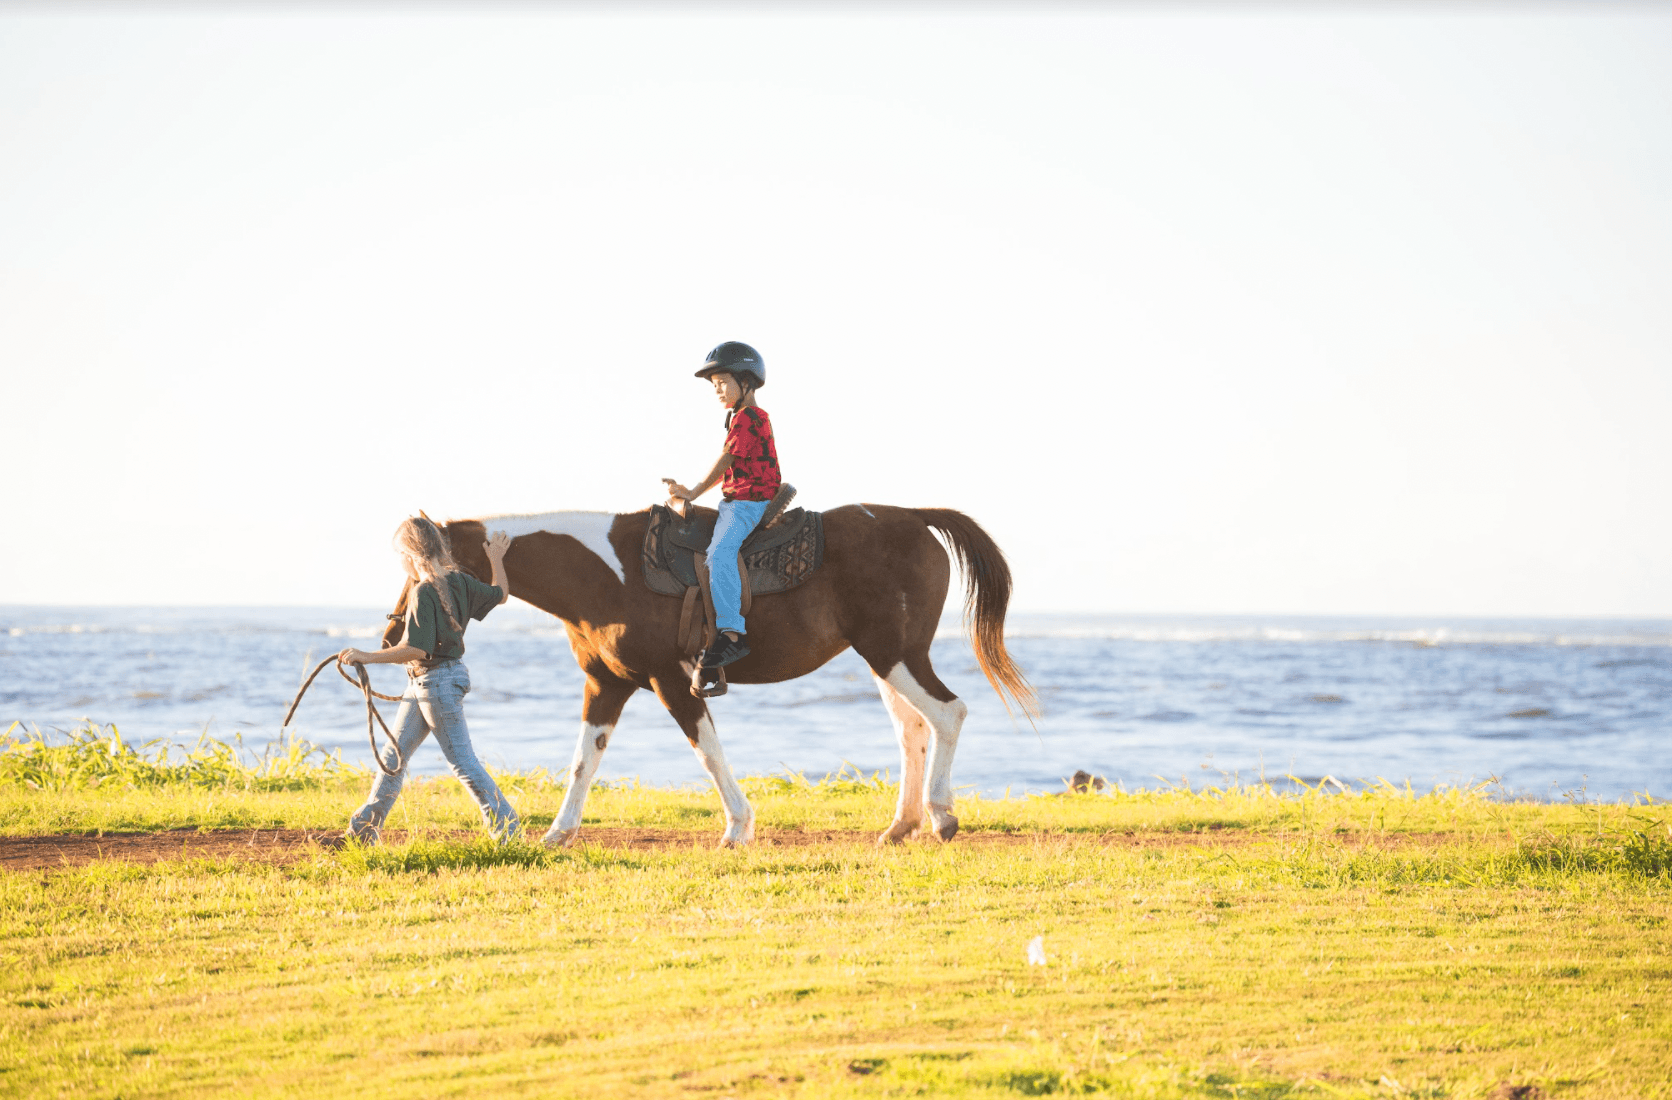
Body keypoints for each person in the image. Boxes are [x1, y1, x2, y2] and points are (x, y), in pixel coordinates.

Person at [337, 516, 520, 844]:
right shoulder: (461, 582)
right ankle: (362, 833)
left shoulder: (422, 592)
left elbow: (416, 648)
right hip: (434, 682)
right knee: (393, 757)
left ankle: (509, 830)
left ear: (409, 554)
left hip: (434, 685)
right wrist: (496, 559)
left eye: (399, 556)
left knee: (463, 763)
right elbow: (501, 594)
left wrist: (366, 656)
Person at [662, 340, 782, 671]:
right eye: (714, 386)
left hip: (747, 503)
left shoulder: (748, 416)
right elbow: (731, 463)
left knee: (719, 554)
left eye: (723, 383)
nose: (717, 391)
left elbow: (727, 458)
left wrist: (694, 492)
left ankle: (731, 634)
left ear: (746, 383)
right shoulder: (738, 417)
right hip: (735, 500)